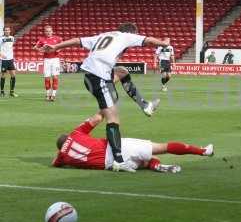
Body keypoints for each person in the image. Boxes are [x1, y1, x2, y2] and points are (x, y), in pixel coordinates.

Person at [42, 22, 169, 172]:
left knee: (122, 72)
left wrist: (56, 47)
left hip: (92, 76)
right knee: (113, 118)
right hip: (99, 77)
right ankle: (119, 161)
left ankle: (145, 105)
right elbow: (148, 40)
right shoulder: (126, 36)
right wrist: (164, 43)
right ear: (131, 32)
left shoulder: (104, 35)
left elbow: (77, 40)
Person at [52, 112, 214, 173]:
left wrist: (61, 155)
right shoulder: (75, 133)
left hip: (112, 166)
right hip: (116, 148)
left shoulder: (62, 157)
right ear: (68, 136)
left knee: (144, 162)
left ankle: (156, 165)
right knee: (162, 147)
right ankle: (203, 151)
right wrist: (105, 107)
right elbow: (97, 118)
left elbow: (55, 163)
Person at [33, 25, 63, 101]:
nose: (48, 32)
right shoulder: (41, 39)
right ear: (45, 32)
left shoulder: (58, 39)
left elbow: (62, 46)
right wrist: (41, 50)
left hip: (55, 60)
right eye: (47, 31)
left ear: (52, 31)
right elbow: (35, 47)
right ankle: (47, 94)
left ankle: (53, 95)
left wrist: (57, 50)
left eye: (49, 31)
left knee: (55, 77)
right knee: (47, 78)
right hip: (47, 60)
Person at [0, 26, 17, 97]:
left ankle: (12, 92)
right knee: (3, 75)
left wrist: (12, 57)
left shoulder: (12, 38)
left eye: (8, 30)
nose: (7, 31)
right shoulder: (1, 38)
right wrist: (1, 55)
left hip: (10, 60)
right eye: (5, 30)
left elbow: (10, 48)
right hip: (4, 60)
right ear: (4, 31)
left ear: (10, 31)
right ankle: (2, 92)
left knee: (13, 75)